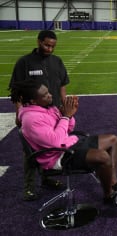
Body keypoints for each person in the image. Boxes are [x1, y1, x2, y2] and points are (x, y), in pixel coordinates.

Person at [9, 80, 117, 207]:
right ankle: (109, 195)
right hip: (56, 156)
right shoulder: (31, 119)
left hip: (68, 144)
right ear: (33, 101)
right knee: (102, 157)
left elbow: (68, 129)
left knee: (113, 140)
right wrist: (66, 117)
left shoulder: (48, 108)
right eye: (45, 95)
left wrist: (68, 114)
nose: (50, 95)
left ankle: (113, 183)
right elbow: (56, 143)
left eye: (48, 92)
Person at [8, 30, 70, 201]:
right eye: (46, 45)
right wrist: (19, 112)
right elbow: (16, 90)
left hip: (54, 112)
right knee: (30, 152)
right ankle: (28, 187)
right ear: (38, 41)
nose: (49, 49)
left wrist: (64, 106)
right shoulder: (24, 62)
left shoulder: (57, 61)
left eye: (52, 46)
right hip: (33, 114)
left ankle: (47, 178)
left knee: (53, 147)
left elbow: (62, 84)